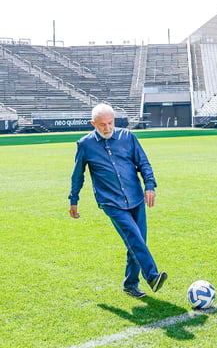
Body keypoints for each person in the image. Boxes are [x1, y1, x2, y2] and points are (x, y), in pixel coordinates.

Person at [69, 103, 167, 298]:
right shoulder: (85, 145)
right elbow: (77, 175)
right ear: (93, 123)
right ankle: (152, 276)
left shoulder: (128, 137)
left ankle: (130, 284)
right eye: (102, 125)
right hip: (111, 202)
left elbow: (144, 163)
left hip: (136, 198)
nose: (107, 128)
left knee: (137, 242)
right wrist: (74, 199)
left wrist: (149, 185)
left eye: (110, 123)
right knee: (134, 236)